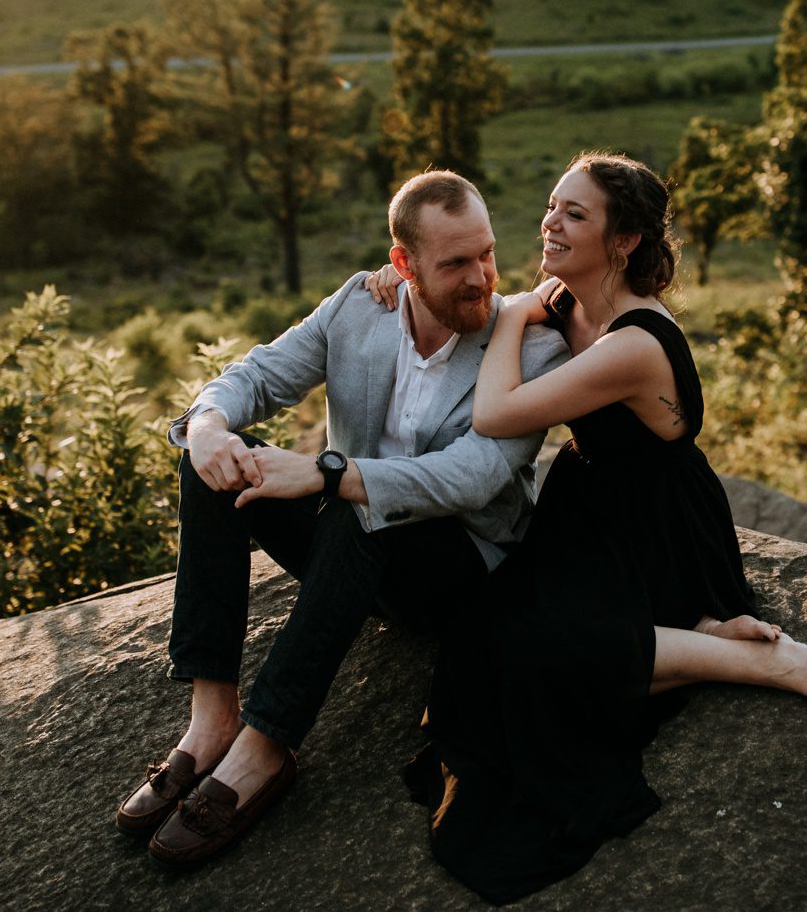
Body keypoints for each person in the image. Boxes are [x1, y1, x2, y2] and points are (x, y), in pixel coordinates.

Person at [368, 152, 807, 903]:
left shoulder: (631, 342)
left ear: (622, 241)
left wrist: (514, 313)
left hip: (659, 533)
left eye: (575, 214)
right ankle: (703, 635)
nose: (550, 223)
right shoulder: (573, 301)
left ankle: (755, 661)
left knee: (540, 654)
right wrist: (394, 280)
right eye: (553, 206)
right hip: (592, 514)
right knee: (480, 640)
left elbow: (496, 413)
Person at [115, 170, 569, 869]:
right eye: (455, 264)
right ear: (403, 266)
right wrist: (206, 424)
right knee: (215, 468)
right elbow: (259, 374)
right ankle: (212, 720)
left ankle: (264, 748)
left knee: (361, 511)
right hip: (351, 553)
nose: (481, 278)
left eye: (487, 253)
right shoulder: (361, 306)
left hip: (461, 576)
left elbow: (474, 476)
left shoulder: (531, 349)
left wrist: (330, 473)